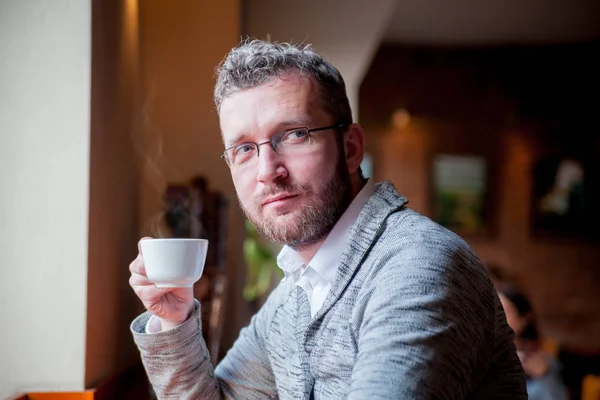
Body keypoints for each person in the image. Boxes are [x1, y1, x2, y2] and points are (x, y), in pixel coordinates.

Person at [129, 38, 527, 399]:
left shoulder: (417, 266)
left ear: (351, 147)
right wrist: (174, 319)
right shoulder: (297, 291)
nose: (268, 170)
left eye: (294, 134)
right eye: (245, 148)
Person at [497, 284, 569, 400]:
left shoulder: (543, 363)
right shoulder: (479, 357)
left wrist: (545, 376)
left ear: (523, 320)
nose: (496, 318)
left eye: (505, 311)